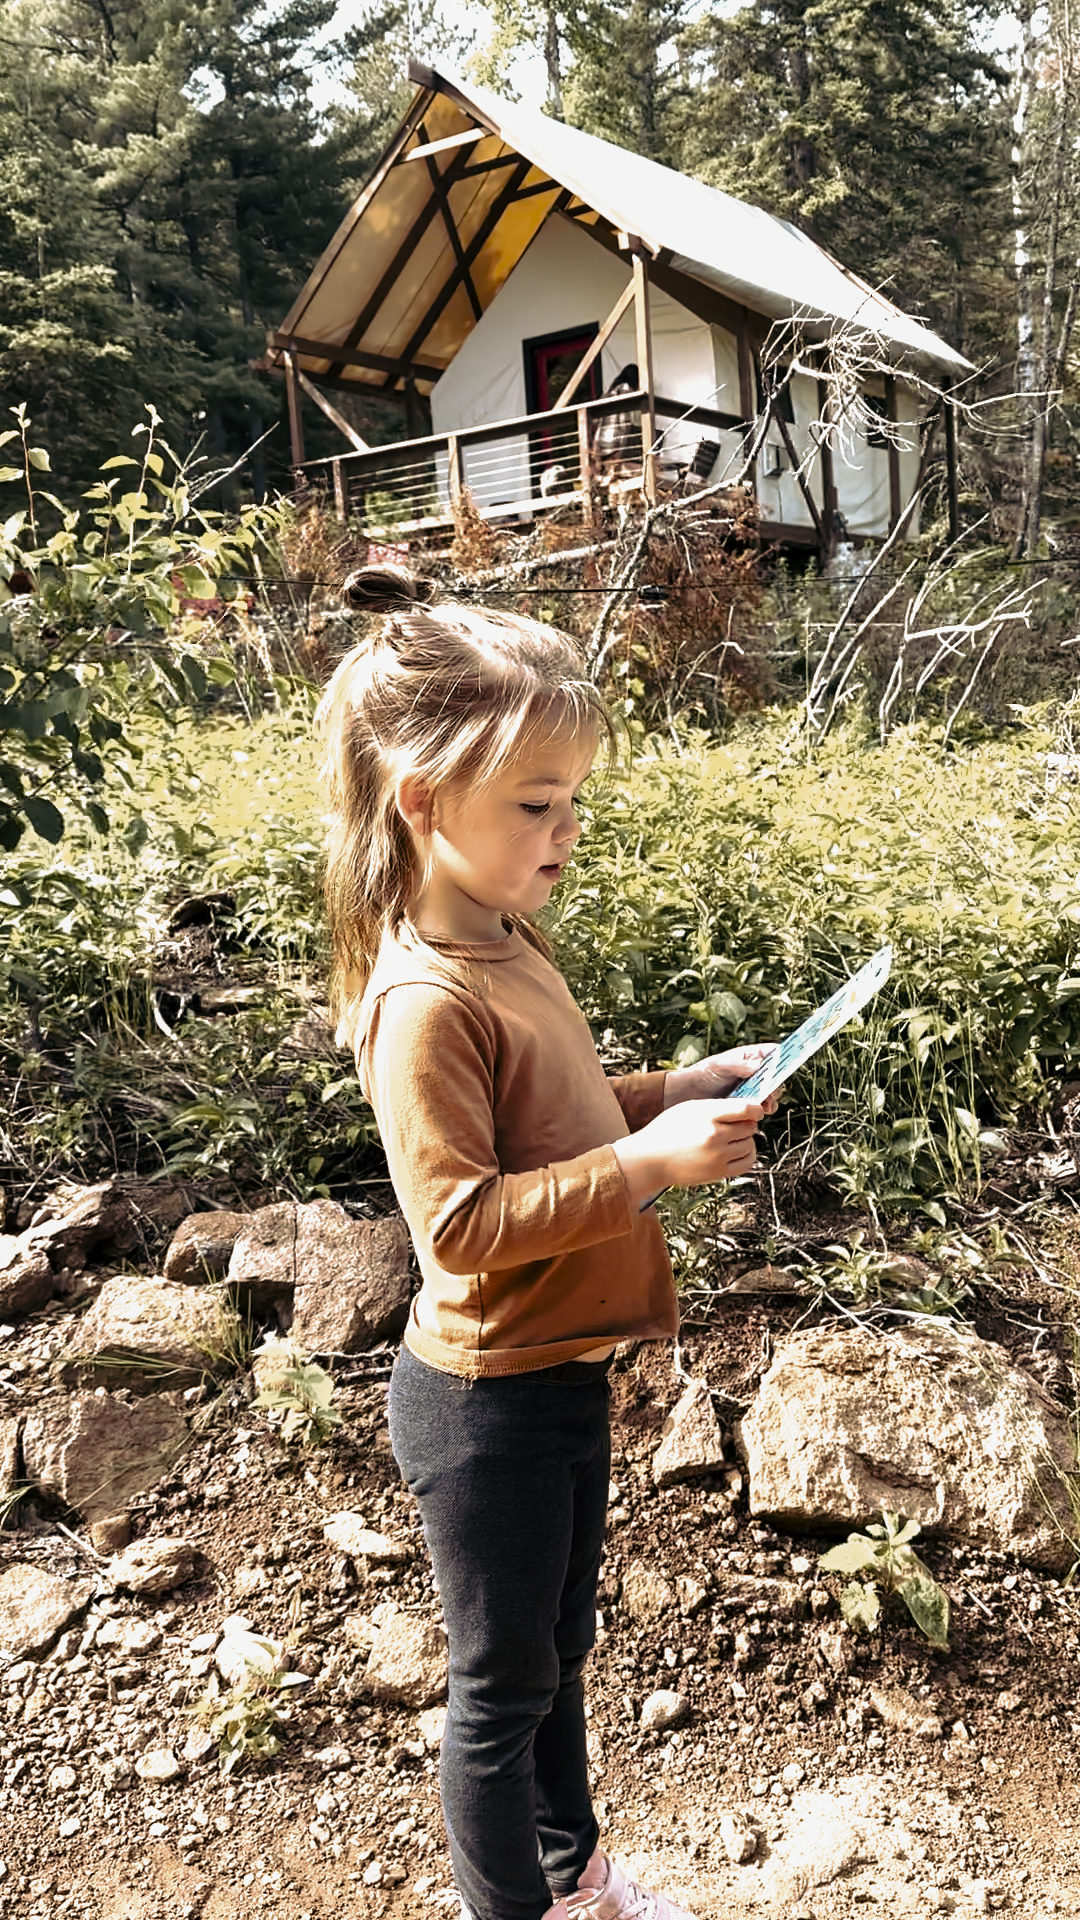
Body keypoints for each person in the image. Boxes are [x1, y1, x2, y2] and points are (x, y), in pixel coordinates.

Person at [317, 564, 777, 1920]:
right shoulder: (422, 1000)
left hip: (556, 1376)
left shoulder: (510, 939)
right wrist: (642, 1167)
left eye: (574, 801)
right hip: (483, 1403)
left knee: (558, 1653)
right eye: (534, 805)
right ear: (422, 801)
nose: (564, 832)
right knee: (499, 1688)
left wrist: (674, 1092)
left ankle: (575, 1883)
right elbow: (457, 1227)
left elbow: (560, 1123)